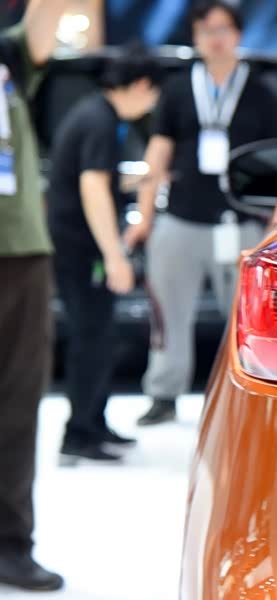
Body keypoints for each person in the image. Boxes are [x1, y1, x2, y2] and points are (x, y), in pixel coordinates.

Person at [124, 0, 277, 426]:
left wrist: (274, 222)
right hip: (181, 217)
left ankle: (245, 397)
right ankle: (163, 394)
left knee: (247, 319)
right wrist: (144, 216)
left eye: (223, 29)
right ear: (195, 37)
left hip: (241, 222)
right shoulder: (179, 88)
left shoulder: (261, 91)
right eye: (207, 30)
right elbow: (158, 152)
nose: (215, 38)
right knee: (167, 314)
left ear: (238, 35)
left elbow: (276, 161)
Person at [47, 48, 161, 465]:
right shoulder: (99, 120)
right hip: (81, 249)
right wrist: (114, 256)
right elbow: (92, 187)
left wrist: (142, 178)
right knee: (90, 338)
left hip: (79, 245)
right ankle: (78, 433)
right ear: (142, 85)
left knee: (98, 335)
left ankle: (94, 421)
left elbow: (100, 179)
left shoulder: (94, 113)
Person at [0, 0, 69, 592]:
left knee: (18, 406)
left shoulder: (10, 56)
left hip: (19, 251)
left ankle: (10, 544)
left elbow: (44, 24)